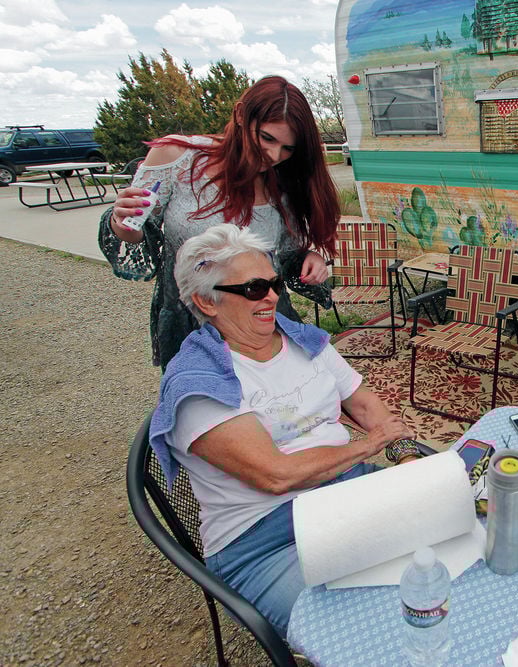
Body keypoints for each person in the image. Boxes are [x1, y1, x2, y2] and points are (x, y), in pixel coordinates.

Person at [148, 225, 420, 638]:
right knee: (372, 628)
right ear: (207, 301)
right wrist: (370, 447)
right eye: (255, 288)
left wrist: (406, 456)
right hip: (265, 540)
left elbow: (363, 402)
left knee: (452, 542)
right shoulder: (197, 383)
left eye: (273, 282)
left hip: (345, 493)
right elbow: (277, 475)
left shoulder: (300, 340)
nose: (273, 296)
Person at [99, 75, 339, 369]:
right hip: (194, 322)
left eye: (288, 148)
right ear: (240, 115)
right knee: (209, 408)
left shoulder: (284, 181)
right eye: (267, 138)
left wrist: (309, 257)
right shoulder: (176, 157)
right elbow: (139, 234)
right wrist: (122, 224)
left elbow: (286, 255)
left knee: (281, 404)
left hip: (263, 321)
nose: (275, 155)